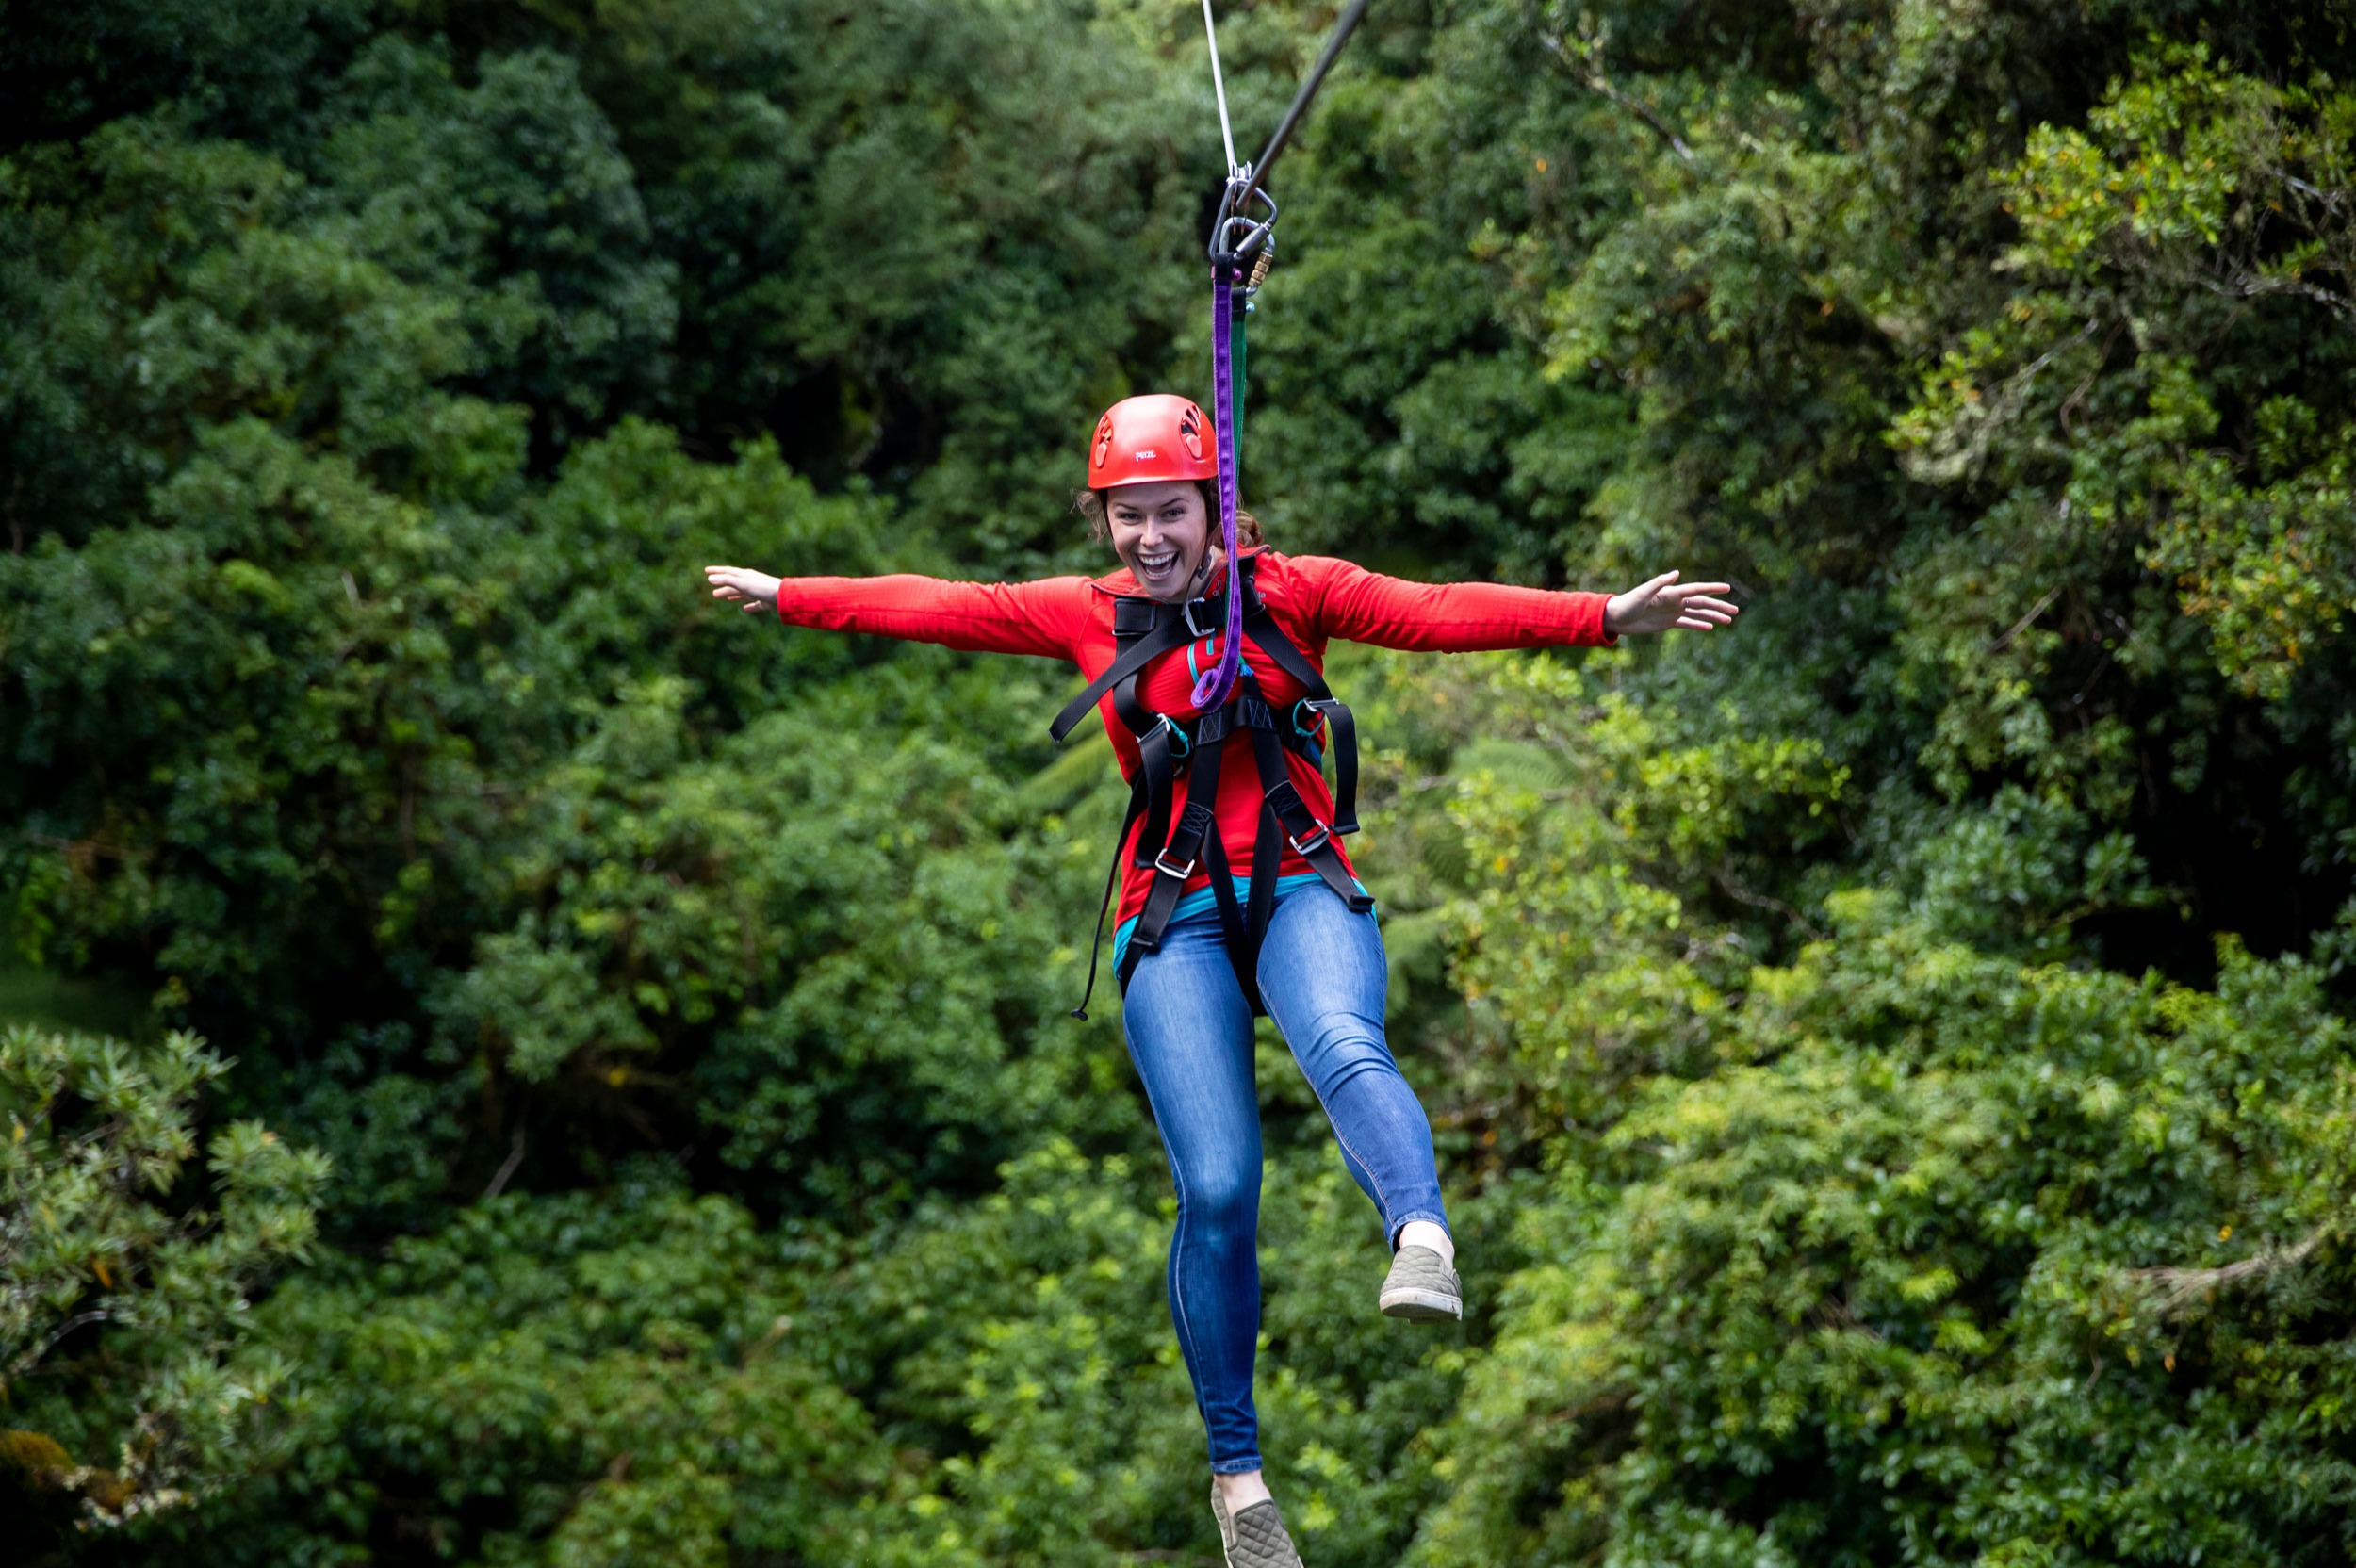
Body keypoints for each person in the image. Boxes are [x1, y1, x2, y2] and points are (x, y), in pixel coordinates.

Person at [704, 393, 1737, 1566]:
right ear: (1105, 522)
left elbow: (1437, 609)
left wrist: (1603, 615)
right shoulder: (1087, 615)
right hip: (1175, 910)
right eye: (1128, 515)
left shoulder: (1291, 588)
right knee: (1218, 1186)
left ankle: (1421, 1235)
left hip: (1297, 877)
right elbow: (941, 605)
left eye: (1172, 512)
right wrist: (790, 594)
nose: (1150, 536)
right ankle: (1239, 1481)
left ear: (1216, 507)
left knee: (1344, 1037)